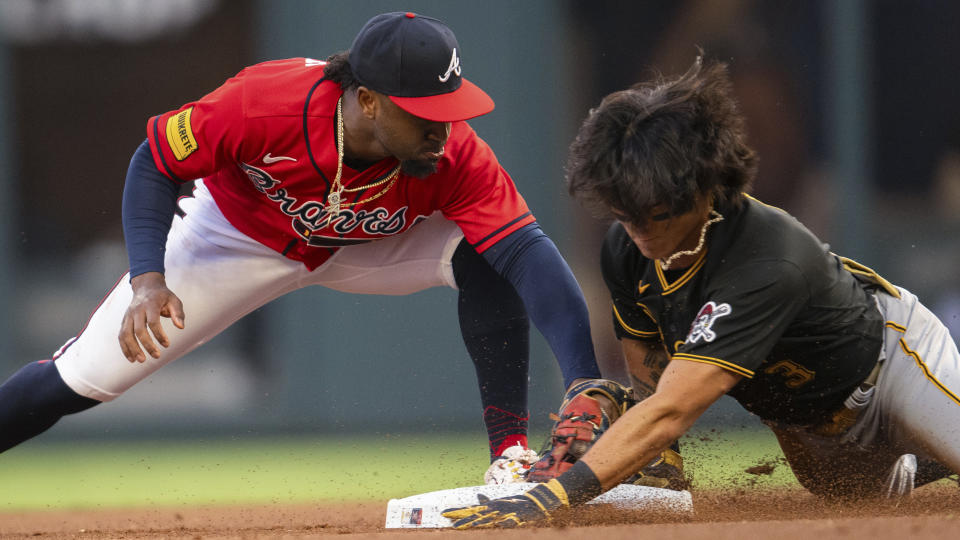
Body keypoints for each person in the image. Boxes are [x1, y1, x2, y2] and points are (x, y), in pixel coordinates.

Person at [0, 11, 614, 477]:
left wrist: (584, 378)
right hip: (235, 238)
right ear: (367, 100)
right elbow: (155, 161)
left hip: (374, 247)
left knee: (487, 256)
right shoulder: (262, 103)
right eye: (425, 112)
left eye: (448, 108)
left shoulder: (454, 153)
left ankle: (508, 456)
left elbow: (528, 253)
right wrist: (147, 279)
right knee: (81, 379)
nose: (443, 127)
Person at [443, 56, 960, 528]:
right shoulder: (625, 251)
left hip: (893, 366)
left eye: (658, 213)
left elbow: (671, 408)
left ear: (708, 185)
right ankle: (919, 458)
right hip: (808, 424)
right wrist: (653, 459)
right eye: (626, 214)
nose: (641, 231)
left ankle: (928, 435)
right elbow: (651, 384)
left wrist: (551, 495)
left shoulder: (769, 257)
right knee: (863, 501)